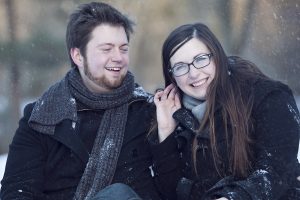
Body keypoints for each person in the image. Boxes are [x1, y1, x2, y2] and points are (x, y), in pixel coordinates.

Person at [0, 2, 161, 200]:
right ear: (78, 55)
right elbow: (16, 192)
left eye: (123, 48)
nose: (118, 57)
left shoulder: (147, 112)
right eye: (106, 49)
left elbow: (172, 184)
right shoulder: (43, 118)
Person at [150, 23, 300, 200]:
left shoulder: (267, 97)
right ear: (171, 74)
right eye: (180, 67)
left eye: (200, 59)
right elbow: (170, 191)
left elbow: (275, 171)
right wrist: (166, 133)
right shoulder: (173, 113)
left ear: (217, 57)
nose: (193, 73)